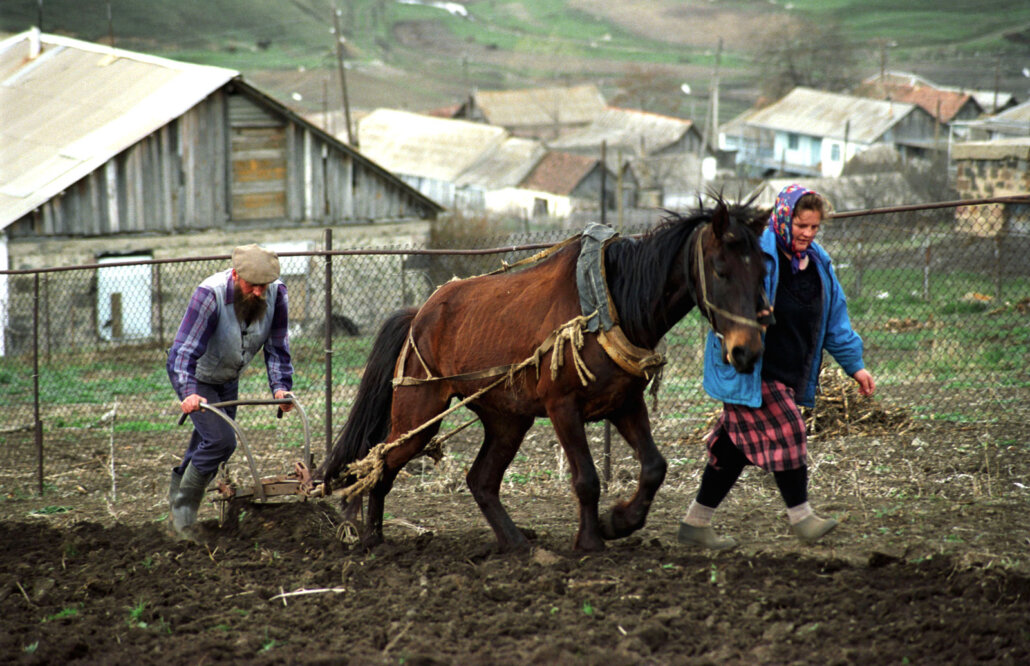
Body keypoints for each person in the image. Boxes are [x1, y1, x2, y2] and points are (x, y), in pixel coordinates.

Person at [678, 184, 875, 549]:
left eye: (815, 227)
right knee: (790, 430)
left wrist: (855, 367)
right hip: (750, 370)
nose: (808, 234)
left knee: (732, 450)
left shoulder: (818, 264)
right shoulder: (758, 255)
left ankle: (695, 524)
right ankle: (801, 517)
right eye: (802, 225)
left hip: (788, 372)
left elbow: (836, 319)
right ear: (785, 218)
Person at [166, 244, 295, 533]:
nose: (259, 292)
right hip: (197, 376)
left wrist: (280, 387)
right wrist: (188, 393)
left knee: (209, 443)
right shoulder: (209, 294)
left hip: (227, 379)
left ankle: (175, 515)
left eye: (264, 286)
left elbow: (277, 345)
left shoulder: (277, 294)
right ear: (236, 275)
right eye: (253, 285)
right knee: (221, 442)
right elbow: (183, 351)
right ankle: (184, 518)